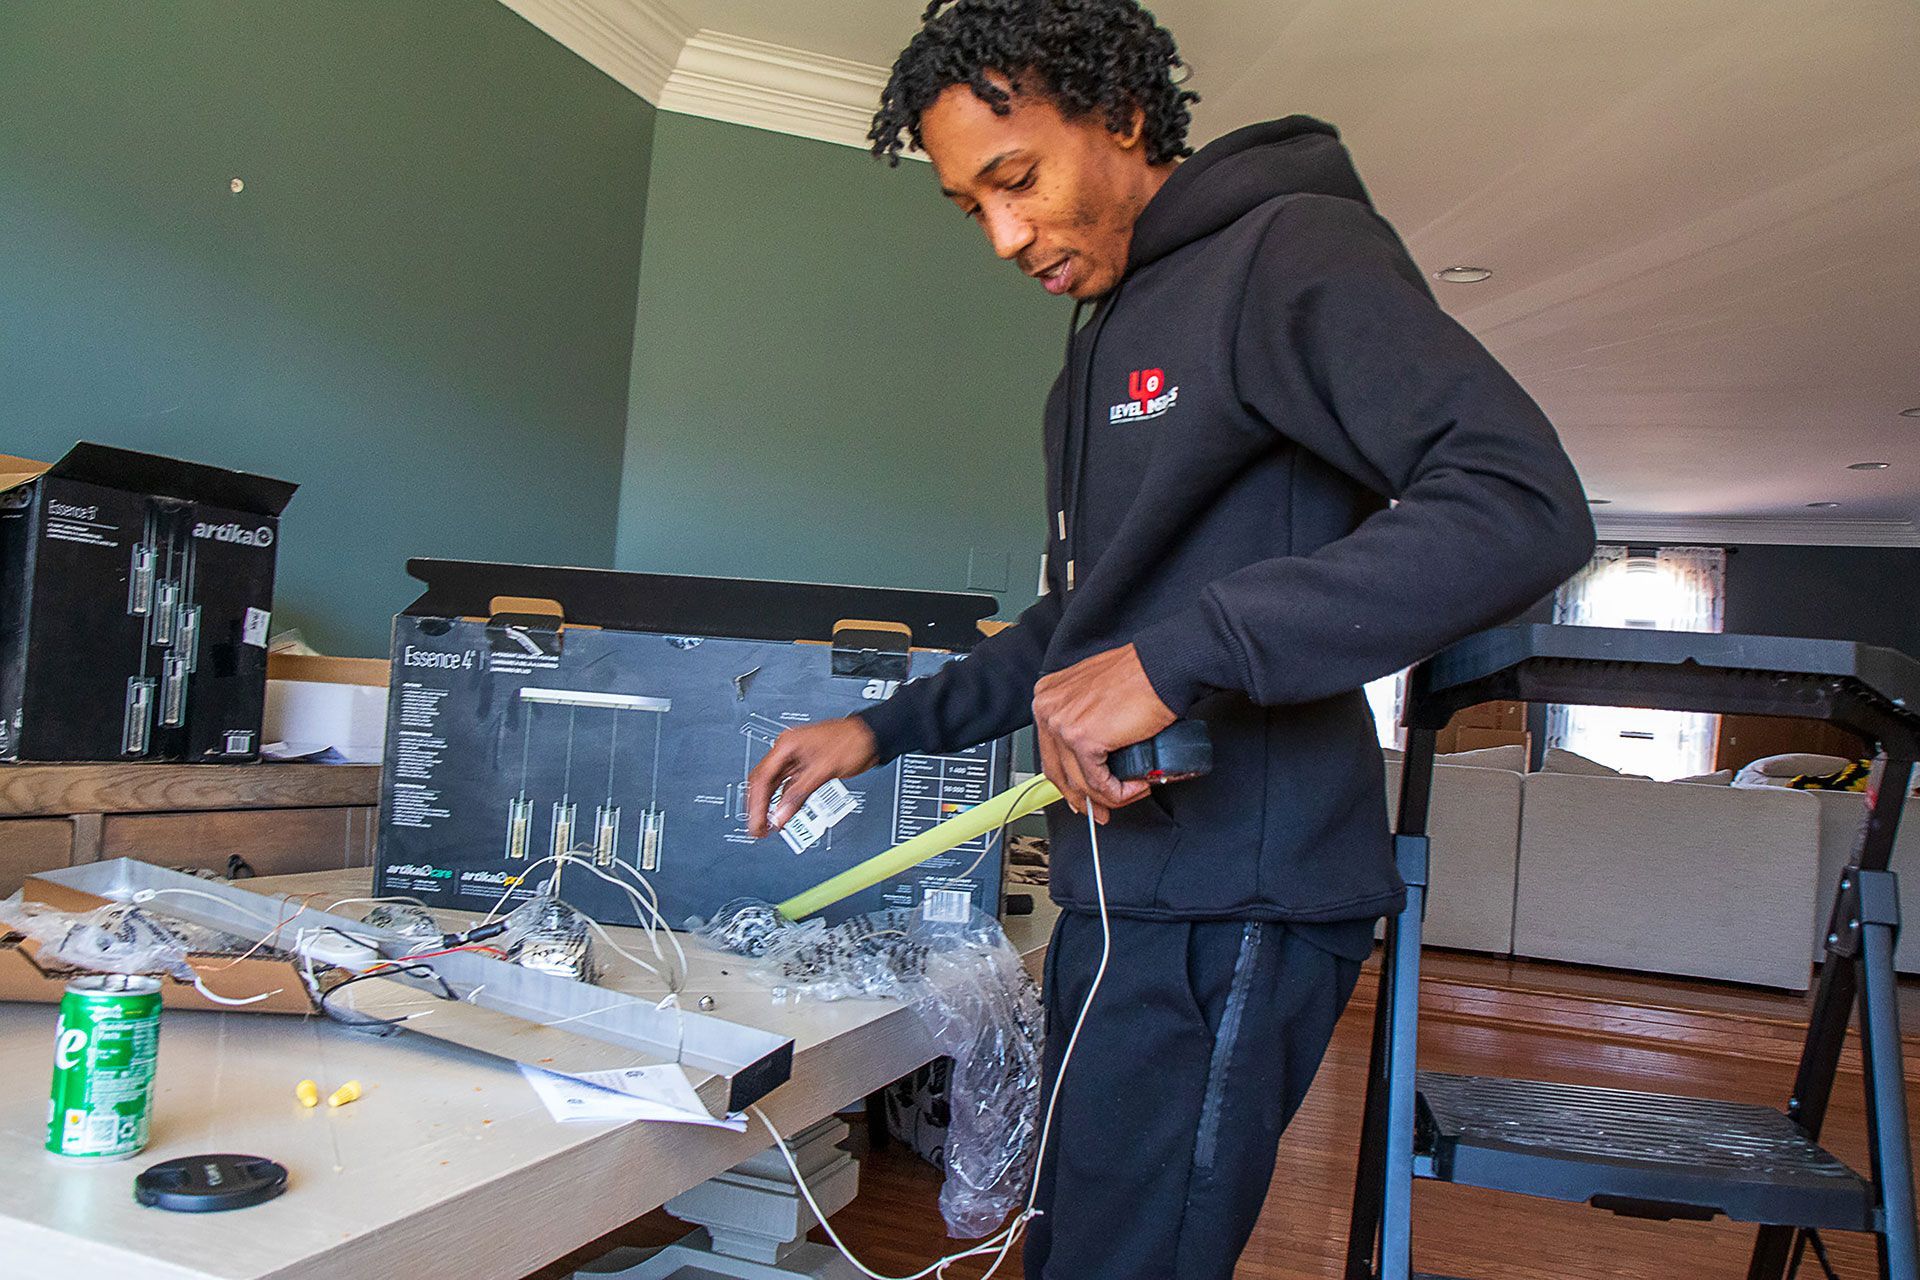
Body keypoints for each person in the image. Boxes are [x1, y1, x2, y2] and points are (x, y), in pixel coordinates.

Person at [745, 2, 1596, 1275]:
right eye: (972, 206)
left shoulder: (1290, 251)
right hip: (1121, 880)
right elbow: (1086, 622)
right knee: (1074, 1247)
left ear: (1125, 116)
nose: (1003, 235)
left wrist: (1175, 656)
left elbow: (1521, 503)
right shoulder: (1094, 352)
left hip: (1241, 890)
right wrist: (878, 728)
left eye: (1018, 180)